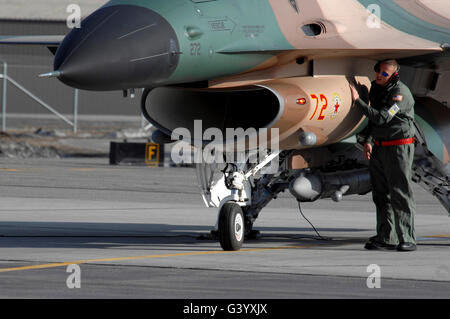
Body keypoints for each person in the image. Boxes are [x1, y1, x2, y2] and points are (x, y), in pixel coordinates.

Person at [349, 59, 417, 252]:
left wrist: (357, 101)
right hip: (380, 146)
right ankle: (387, 237)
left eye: (384, 73)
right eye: (378, 71)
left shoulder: (399, 95)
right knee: (381, 194)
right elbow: (376, 123)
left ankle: (408, 238)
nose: (379, 75)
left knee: (400, 192)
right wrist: (369, 141)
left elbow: (382, 117)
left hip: (398, 148)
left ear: (393, 75)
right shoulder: (378, 89)